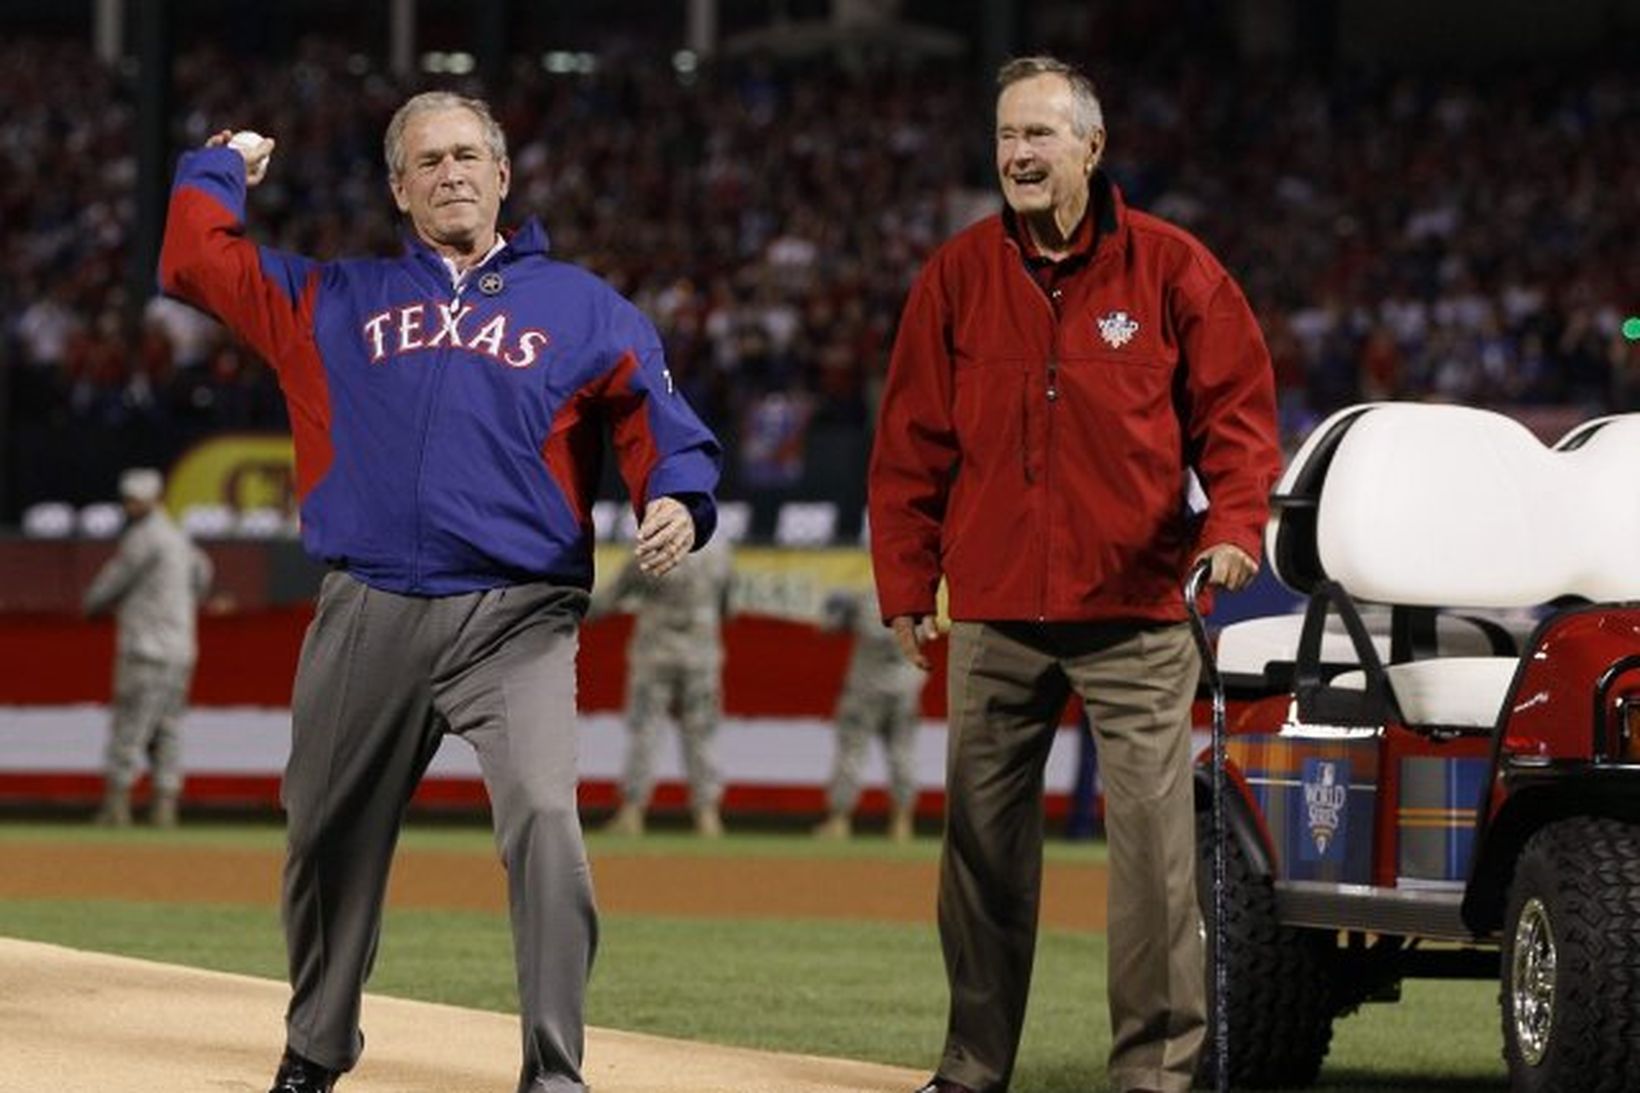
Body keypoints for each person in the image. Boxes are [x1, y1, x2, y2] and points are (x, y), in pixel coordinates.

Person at [158, 91, 721, 1093]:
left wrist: (677, 492)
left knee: (546, 820)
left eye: (469, 155)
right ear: (398, 189)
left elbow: (654, 416)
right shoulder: (334, 297)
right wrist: (217, 169)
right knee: (325, 832)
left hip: (517, 618)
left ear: (503, 175)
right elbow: (196, 262)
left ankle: (554, 1072)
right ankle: (315, 1048)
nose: (452, 172)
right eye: (429, 161)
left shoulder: (585, 306)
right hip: (366, 606)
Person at [868, 56, 1282, 1093]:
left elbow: (1236, 421)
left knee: (1151, 856)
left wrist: (1230, 523)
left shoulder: (1176, 271)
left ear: (1090, 149)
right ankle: (969, 1066)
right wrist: (906, 583)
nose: (1015, 155)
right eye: (1006, 137)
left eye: (1037, 136)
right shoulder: (956, 275)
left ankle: (1151, 1075)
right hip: (997, 611)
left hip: (1135, 613)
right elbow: (908, 443)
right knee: (978, 853)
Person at [82, 467, 213, 828]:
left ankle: (116, 806)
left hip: (145, 648)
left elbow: (111, 584)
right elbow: (204, 575)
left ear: (149, 500)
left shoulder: (143, 538)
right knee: (168, 728)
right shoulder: (180, 539)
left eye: (133, 499)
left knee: (130, 725)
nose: (129, 506)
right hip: (181, 648)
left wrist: (91, 605)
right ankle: (164, 806)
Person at [596, 530, 733, 837]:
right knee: (702, 733)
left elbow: (616, 593)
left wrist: (577, 609)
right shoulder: (720, 550)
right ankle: (707, 816)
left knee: (645, 730)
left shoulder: (652, 541)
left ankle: (632, 813)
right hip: (702, 654)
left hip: (654, 653)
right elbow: (726, 605)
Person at [813, 583, 926, 842]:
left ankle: (839, 821)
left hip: (864, 689)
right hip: (905, 688)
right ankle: (902, 824)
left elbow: (828, 625)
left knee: (851, 754)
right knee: (903, 756)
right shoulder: (919, 598)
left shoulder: (864, 598)